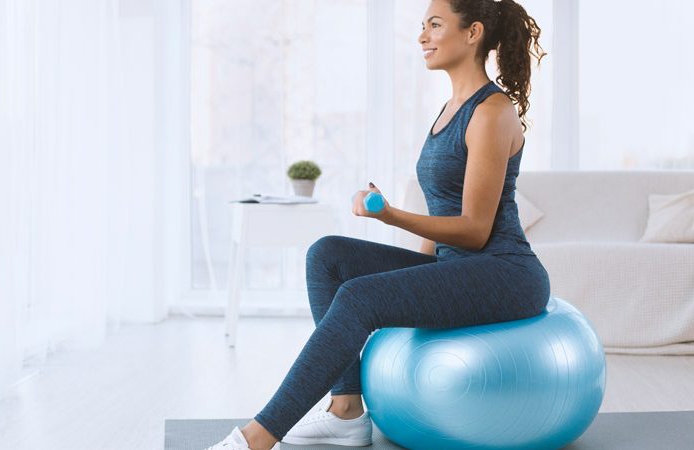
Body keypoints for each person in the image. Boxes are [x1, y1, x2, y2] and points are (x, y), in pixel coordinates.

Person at [205, 0, 548, 448]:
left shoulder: (491, 111)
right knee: (327, 255)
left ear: (472, 33)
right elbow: (443, 211)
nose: (422, 36)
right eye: (422, 26)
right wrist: (413, 275)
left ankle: (256, 438)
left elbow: (474, 230)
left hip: (506, 273)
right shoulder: (451, 109)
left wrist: (389, 214)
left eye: (435, 25)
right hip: (458, 266)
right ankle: (346, 410)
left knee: (359, 297)